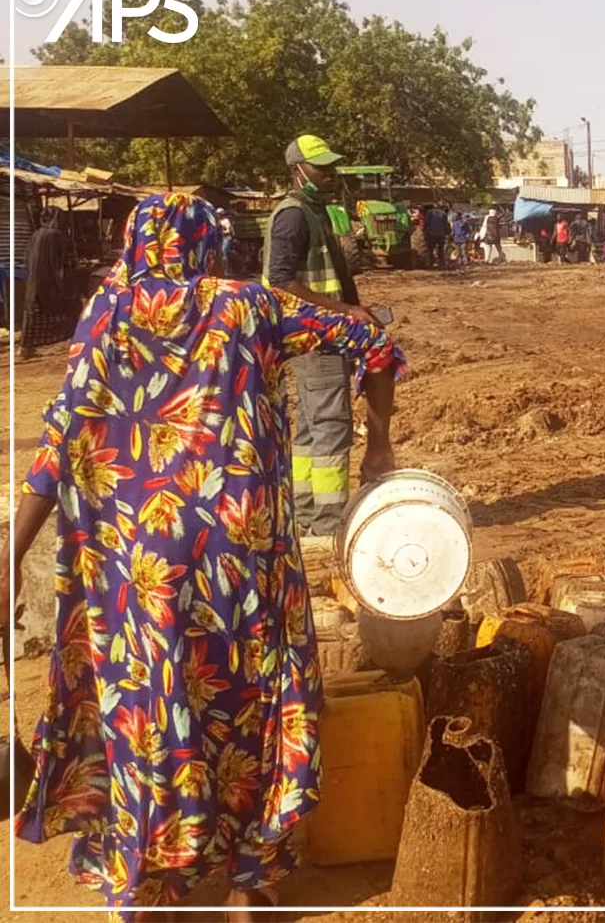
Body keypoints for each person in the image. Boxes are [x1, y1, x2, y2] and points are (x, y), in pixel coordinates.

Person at [9, 192, 405, 920]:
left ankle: (150, 880)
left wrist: (12, 556)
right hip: (242, 555)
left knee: (152, 708)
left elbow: (60, 439)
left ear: (136, 240)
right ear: (206, 245)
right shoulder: (251, 307)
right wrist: (377, 444)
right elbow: (373, 339)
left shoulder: (109, 310)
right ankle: (250, 880)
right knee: (255, 704)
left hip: (143, 565)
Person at [261, 135, 383, 538]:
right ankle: (329, 523)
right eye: (321, 168)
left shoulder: (316, 213)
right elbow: (279, 278)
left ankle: (305, 515)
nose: (330, 174)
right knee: (331, 425)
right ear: (298, 170)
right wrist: (343, 310)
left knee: (313, 428)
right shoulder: (293, 215)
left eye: (332, 166)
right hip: (314, 335)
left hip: (322, 333)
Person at [20, 206, 76, 358]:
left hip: (33, 281)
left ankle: (26, 348)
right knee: (70, 309)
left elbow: (26, 259)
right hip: (50, 281)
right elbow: (65, 261)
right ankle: (73, 342)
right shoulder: (58, 236)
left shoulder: (35, 234)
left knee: (33, 312)